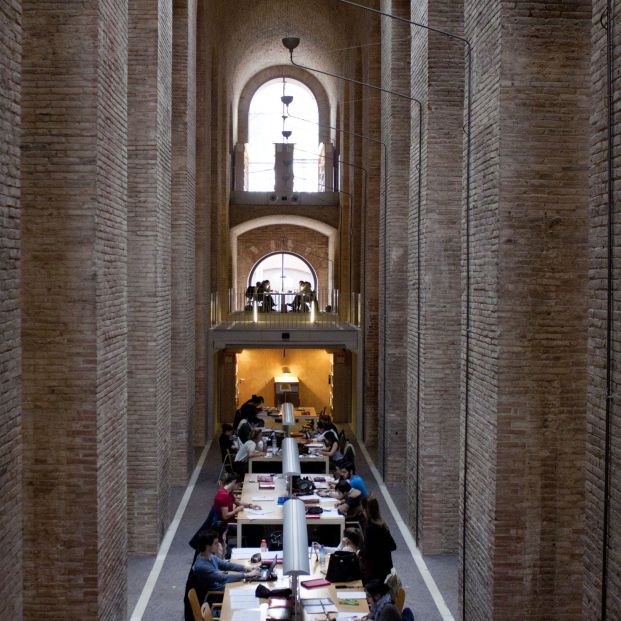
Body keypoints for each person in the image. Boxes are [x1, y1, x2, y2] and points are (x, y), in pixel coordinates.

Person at [191, 530, 260, 594]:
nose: (218, 545)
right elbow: (223, 578)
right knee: (248, 588)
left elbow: (226, 565)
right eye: (215, 543)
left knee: (248, 582)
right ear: (207, 546)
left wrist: (246, 568)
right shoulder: (202, 566)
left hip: (221, 585)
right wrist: (247, 575)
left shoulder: (209, 555)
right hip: (216, 593)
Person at [359, 498, 397, 582]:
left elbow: (369, 551)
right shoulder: (382, 524)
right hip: (386, 570)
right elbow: (393, 545)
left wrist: (359, 552)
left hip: (376, 574)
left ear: (365, 510)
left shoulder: (371, 528)